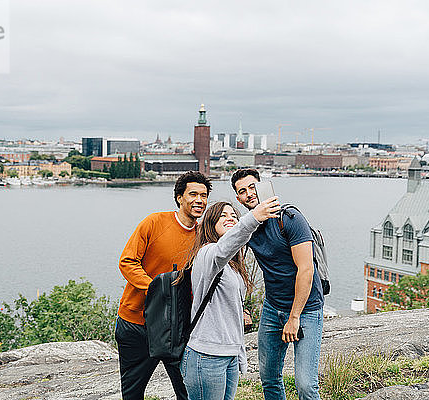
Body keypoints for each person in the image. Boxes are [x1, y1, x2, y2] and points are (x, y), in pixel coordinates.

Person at [115, 171, 212, 400]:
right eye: (194, 194)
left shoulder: (204, 237)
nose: (200, 200)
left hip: (177, 329)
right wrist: (158, 289)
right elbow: (127, 262)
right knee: (132, 393)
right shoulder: (154, 222)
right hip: (137, 324)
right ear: (179, 197)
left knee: (187, 391)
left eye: (204, 195)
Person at [231, 169, 324, 400]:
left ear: (263, 186)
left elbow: (306, 270)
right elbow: (235, 268)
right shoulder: (248, 227)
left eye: (252, 187)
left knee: (305, 385)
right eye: (242, 191)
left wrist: (294, 318)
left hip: (306, 309)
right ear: (238, 198)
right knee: (269, 378)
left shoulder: (290, 219)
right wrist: (242, 306)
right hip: (273, 308)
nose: (249, 194)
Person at [178, 199, 280, 400]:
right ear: (210, 223)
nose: (230, 218)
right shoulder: (207, 253)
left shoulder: (232, 266)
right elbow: (225, 246)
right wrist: (253, 218)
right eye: (223, 215)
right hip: (206, 354)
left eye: (234, 216)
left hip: (229, 354)